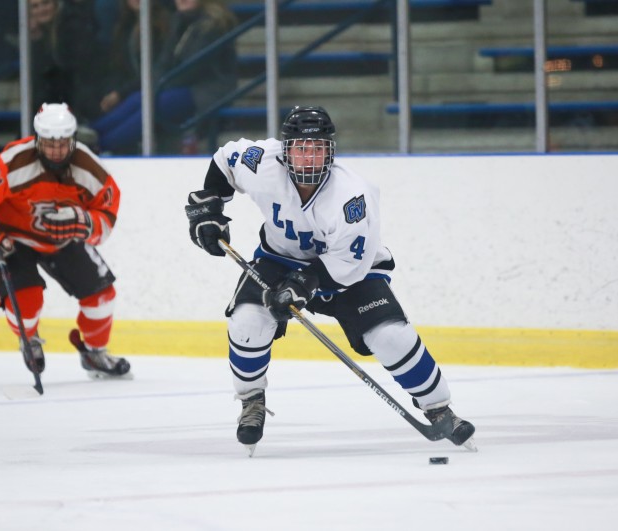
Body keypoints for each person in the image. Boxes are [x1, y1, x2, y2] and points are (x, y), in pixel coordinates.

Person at [184, 106, 476, 454]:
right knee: (247, 322)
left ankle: (439, 408)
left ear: (330, 151)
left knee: (391, 337)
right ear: (286, 148)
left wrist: (305, 283)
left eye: (318, 148)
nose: (309, 158)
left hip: (351, 273)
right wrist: (212, 208)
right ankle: (251, 402)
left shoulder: (353, 196)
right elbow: (224, 160)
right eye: (302, 149)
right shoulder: (261, 160)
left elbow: (350, 261)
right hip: (278, 260)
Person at [0, 103, 131, 380]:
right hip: (11, 238)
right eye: (49, 143)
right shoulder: (13, 162)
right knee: (26, 304)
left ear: (73, 139)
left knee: (102, 297)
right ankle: (30, 338)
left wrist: (82, 222)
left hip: (61, 238)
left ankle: (95, 354)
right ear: (37, 139)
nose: (56, 150)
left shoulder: (90, 170)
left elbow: (106, 220)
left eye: (63, 143)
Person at [91, 0, 238, 154]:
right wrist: (157, 82)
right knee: (139, 97)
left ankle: (99, 145)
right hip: (177, 85)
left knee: (155, 103)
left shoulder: (213, 26)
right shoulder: (178, 21)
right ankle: (90, 135)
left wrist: (161, 84)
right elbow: (163, 63)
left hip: (207, 91)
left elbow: (193, 70)